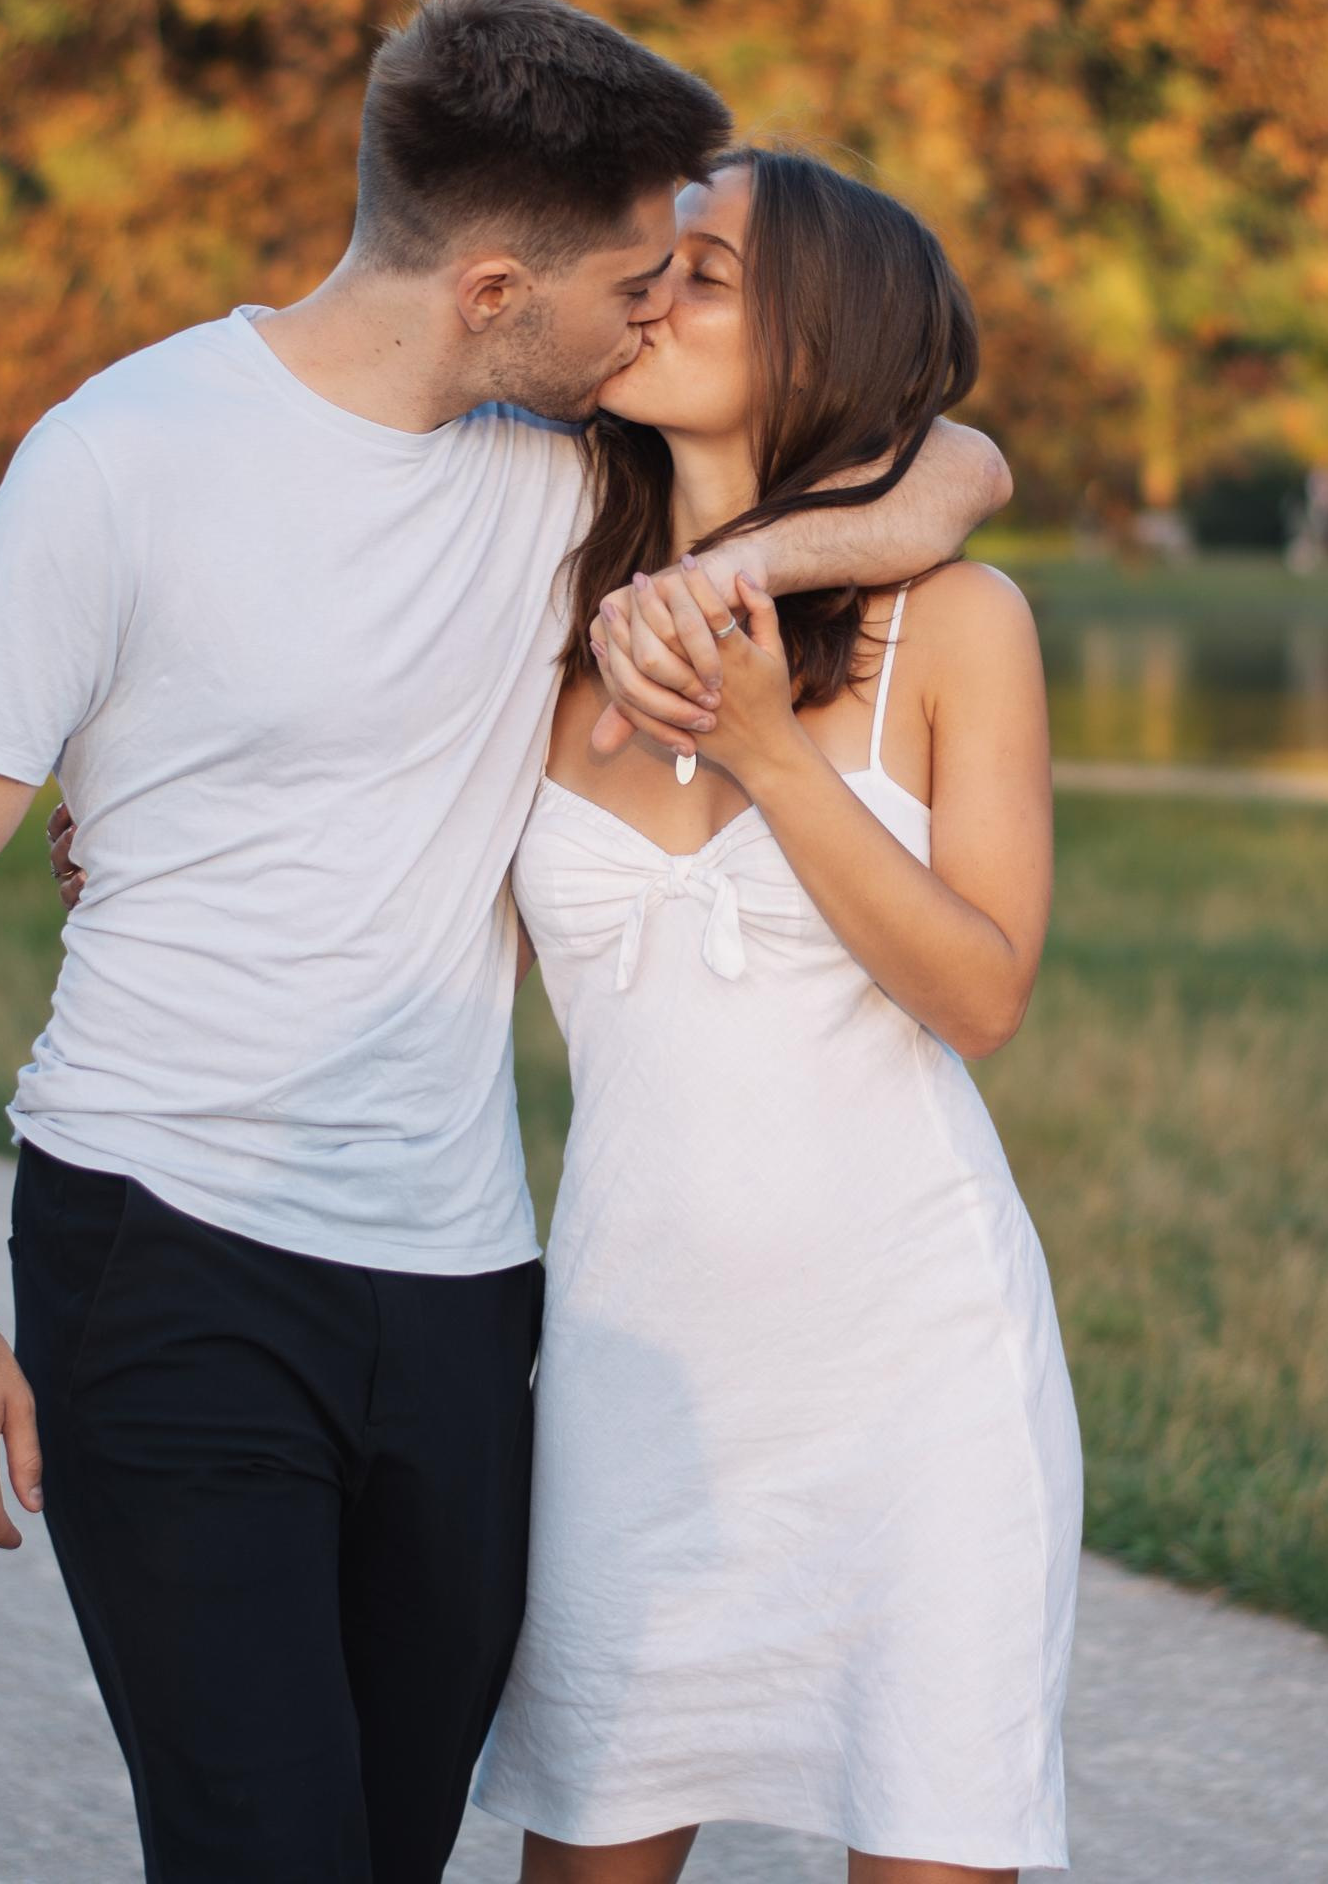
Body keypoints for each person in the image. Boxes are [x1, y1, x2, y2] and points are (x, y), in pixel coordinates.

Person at [0, 0, 1010, 1884]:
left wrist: (745, 565)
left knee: (387, 1845)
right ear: (489, 286)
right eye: (640, 277)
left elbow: (948, 468)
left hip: (460, 1287)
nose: (656, 311)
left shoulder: (568, 480)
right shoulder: (119, 458)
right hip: (168, 1245)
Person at [474, 148, 1081, 1881]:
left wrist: (762, 748)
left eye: (708, 273)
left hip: (915, 1394)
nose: (652, 292)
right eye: (652, 263)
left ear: (820, 337)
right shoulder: (547, 614)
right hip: (631, 1386)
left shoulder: (962, 624)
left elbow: (980, 993)